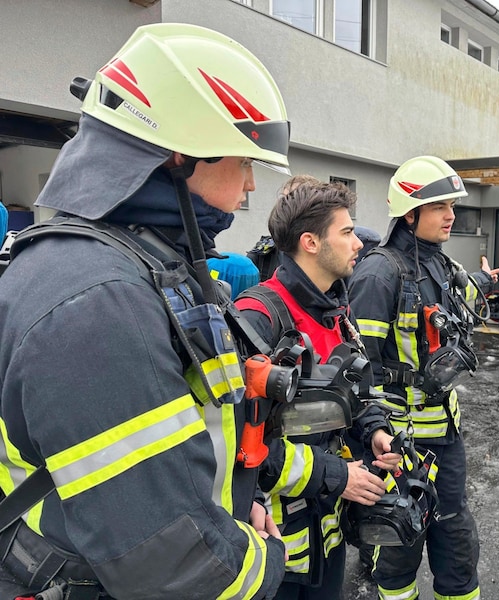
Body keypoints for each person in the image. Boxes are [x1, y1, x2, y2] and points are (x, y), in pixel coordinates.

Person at [0, 23, 292, 599]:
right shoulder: (100, 303)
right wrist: (265, 558)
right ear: (179, 155)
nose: (252, 184)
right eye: (243, 159)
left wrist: (235, 505)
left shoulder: (122, 265)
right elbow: (175, 568)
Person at [234, 180, 401, 600]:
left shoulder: (339, 313)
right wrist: (337, 475)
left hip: (326, 535)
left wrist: (376, 430)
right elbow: (237, 443)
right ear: (310, 242)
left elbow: (359, 393)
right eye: (346, 233)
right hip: (273, 546)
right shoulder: (258, 316)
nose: (357, 244)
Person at [348, 155, 499, 600]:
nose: (451, 215)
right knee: (399, 542)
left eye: (452, 206)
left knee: (455, 537)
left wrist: (485, 281)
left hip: (445, 437)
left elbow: (463, 296)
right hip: (398, 441)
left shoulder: (441, 266)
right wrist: (376, 434)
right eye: (439, 207)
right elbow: (361, 365)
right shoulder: (379, 273)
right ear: (410, 213)